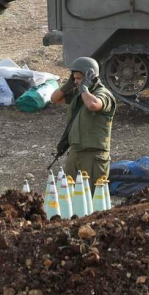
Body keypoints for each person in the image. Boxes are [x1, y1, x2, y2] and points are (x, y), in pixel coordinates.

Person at [49, 57, 116, 194]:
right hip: (75, 152)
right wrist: (68, 85)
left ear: (90, 77)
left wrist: (84, 87)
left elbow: (93, 105)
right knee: (68, 194)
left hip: (93, 156)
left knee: (91, 197)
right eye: (74, 78)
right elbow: (55, 99)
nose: (76, 81)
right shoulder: (79, 94)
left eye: (79, 78)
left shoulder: (103, 94)